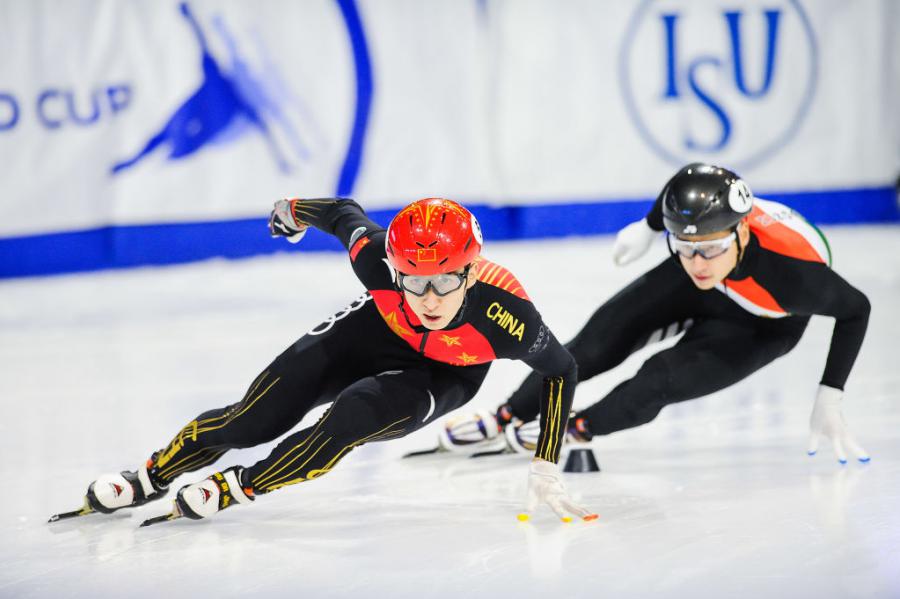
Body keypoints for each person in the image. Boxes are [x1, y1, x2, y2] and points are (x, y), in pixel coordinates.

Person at [53, 197, 597, 525]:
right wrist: (291, 211)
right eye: (414, 281)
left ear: (471, 274)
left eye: (445, 282)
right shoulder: (378, 263)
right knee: (252, 419)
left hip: (447, 370)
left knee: (353, 416)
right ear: (395, 269)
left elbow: (561, 369)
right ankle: (152, 475)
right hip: (369, 332)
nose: (429, 299)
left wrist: (545, 461)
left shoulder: (507, 317)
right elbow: (341, 213)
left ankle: (238, 487)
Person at [441, 163, 871, 465]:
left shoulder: (794, 277)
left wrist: (831, 392)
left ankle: (576, 428)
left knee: (658, 380)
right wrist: (649, 228)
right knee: (594, 344)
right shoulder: (700, 250)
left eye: (709, 250)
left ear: (741, 231)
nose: (698, 262)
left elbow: (856, 309)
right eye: (683, 248)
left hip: (762, 322)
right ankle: (505, 416)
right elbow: (682, 185)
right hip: (711, 289)